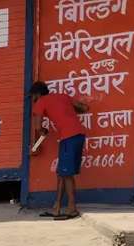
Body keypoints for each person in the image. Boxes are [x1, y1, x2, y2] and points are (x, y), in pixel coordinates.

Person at [29, 81, 88, 220]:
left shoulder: (40, 102)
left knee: (67, 174)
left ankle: (72, 209)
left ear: (37, 94)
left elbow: (38, 127)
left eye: (32, 96)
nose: (32, 99)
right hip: (78, 135)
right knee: (62, 173)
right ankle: (56, 207)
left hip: (69, 137)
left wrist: (43, 131)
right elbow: (83, 107)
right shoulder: (62, 96)